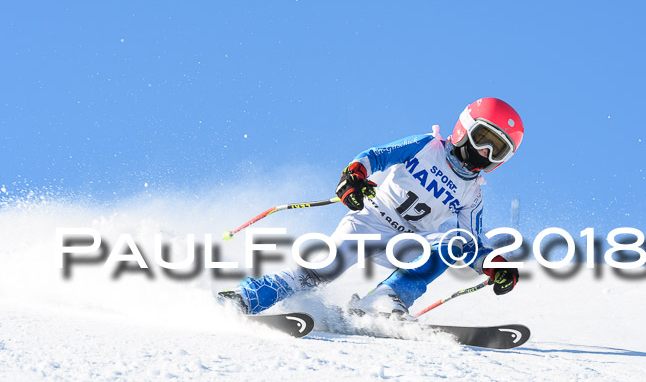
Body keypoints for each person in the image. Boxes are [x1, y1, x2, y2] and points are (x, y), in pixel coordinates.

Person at [219, 97, 523, 317]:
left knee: (457, 242)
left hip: (409, 243)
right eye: (483, 137)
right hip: (368, 223)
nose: (485, 151)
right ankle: (249, 297)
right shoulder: (426, 147)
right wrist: (354, 176)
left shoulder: (472, 193)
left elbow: (474, 243)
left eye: (497, 148)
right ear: (464, 128)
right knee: (322, 269)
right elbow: (376, 156)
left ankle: (384, 299)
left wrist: (494, 264)